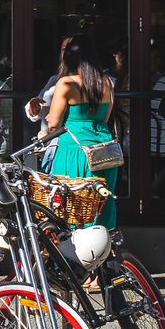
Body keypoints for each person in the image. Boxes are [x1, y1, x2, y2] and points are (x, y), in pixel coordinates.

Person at [46, 36, 119, 229]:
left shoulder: (66, 83)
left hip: (74, 150)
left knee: (71, 206)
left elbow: (53, 123)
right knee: (99, 205)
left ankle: (71, 253)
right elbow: (104, 119)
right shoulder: (107, 83)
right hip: (104, 152)